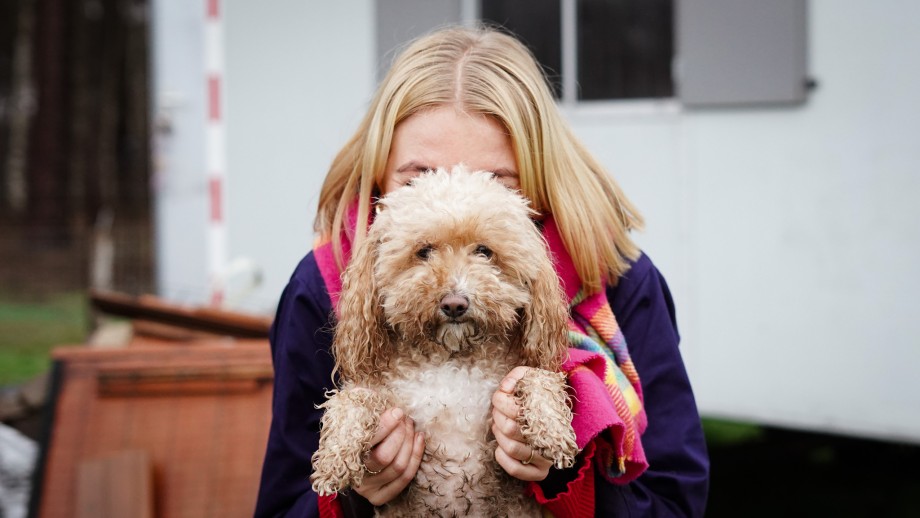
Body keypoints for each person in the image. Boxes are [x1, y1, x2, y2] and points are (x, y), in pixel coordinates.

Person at [254, 25, 709, 517]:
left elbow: (676, 500)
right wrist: (353, 498)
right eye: (419, 177)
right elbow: (283, 503)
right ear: (380, 170)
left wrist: (566, 476)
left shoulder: (616, 278)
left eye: (496, 181)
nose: (453, 194)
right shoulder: (325, 286)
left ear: (539, 173)